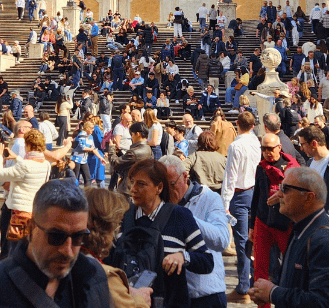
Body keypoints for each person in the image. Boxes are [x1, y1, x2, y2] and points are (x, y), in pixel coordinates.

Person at [0, 179, 112, 308]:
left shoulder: (93, 277)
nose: (67, 250)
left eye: (78, 237)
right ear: (30, 228)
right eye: (56, 236)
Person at [110, 160, 213, 308]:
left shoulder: (180, 216)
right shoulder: (122, 217)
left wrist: (183, 257)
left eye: (141, 184)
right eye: (132, 183)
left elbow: (207, 262)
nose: (133, 189)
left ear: (159, 187)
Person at [247, 167, 329, 308]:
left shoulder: (325, 241)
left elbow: (323, 302)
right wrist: (267, 289)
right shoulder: (300, 229)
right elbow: (294, 280)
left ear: (308, 197)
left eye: (286, 189)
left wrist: (273, 293)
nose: (279, 194)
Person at [158, 155, 231, 308]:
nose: (168, 192)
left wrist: (186, 218)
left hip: (206, 293)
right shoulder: (159, 203)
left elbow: (222, 240)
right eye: (162, 187)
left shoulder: (209, 198)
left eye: (171, 184)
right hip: (173, 296)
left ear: (184, 177)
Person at [82, 187, 153, 308]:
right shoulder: (106, 277)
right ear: (110, 229)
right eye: (117, 225)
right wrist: (140, 299)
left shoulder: (67, 258)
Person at [0, 129, 52, 259]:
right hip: (34, 211)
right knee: (27, 252)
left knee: (12, 252)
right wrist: (17, 157)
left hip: (19, 212)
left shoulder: (25, 165)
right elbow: (30, 167)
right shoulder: (46, 164)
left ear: (29, 145)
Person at [250, 134, 295, 307]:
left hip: (285, 223)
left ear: (279, 147)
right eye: (264, 149)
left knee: (291, 266)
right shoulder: (261, 167)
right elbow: (256, 196)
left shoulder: (291, 167)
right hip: (262, 220)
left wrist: (282, 195)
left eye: (270, 148)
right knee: (260, 268)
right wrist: (251, 225)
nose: (267, 152)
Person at [221, 111, 260, 303]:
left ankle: (244, 286)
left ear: (237, 124)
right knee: (251, 239)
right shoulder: (256, 142)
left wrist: (225, 202)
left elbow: (230, 175)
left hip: (239, 193)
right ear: (252, 126)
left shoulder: (236, 145)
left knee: (242, 240)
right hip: (254, 191)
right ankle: (251, 280)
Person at [294, 124, 329, 239]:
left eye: (303, 144)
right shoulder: (310, 163)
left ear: (314, 143)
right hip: (312, 227)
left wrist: (325, 221)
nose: (301, 148)